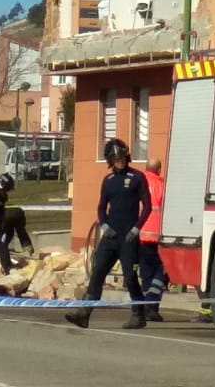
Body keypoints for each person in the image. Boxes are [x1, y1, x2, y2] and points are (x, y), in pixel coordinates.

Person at [65, 137, 151, 331]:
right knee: (97, 274)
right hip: (110, 237)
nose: (119, 160)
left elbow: (147, 207)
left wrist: (136, 228)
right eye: (115, 158)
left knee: (129, 276)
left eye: (121, 157)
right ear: (110, 160)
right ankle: (84, 314)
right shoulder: (108, 180)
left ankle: (139, 314)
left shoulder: (137, 177)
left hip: (128, 237)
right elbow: (102, 207)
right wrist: (103, 225)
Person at [138, 157, 167, 321]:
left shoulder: (138, 183)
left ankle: (144, 306)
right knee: (162, 273)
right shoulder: (162, 185)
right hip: (159, 237)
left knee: (146, 273)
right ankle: (151, 305)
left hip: (140, 236)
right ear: (159, 169)